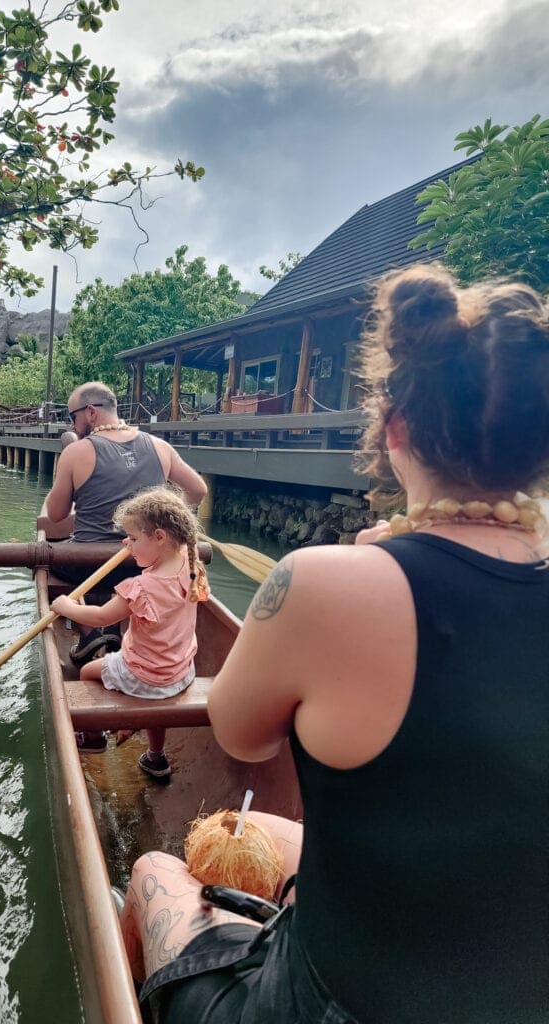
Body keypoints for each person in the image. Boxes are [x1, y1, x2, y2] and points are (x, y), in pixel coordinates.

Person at [120, 264, 549, 1024]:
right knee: (279, 839)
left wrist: (371, 561)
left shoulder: (326, 585)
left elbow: (240, 735)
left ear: (397, 430)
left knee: (155, 871)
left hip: (331, 1007)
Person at [43, 380, 207, 665]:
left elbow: (55, 515)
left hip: (90, 565)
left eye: (73, 417)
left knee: (53, 560)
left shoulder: (76, 452)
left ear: (91, 412)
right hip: (145, 565)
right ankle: (117, 627)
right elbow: (198, 491)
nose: (72, 425)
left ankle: (91, 629)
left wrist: (65, 469)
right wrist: (167, 515)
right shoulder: (160, 447)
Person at [51, 487, 210, 779]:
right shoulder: (191, 562)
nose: (127, 544)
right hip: (180, 672)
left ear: (160, 537)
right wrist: (137, 543)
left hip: (145, 676)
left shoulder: (142, 588)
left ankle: (94, 737)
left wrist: (66, 606)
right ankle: (156, 756)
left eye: (134, 539)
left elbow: (99, 616)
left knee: (87, 671)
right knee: (158, 702)